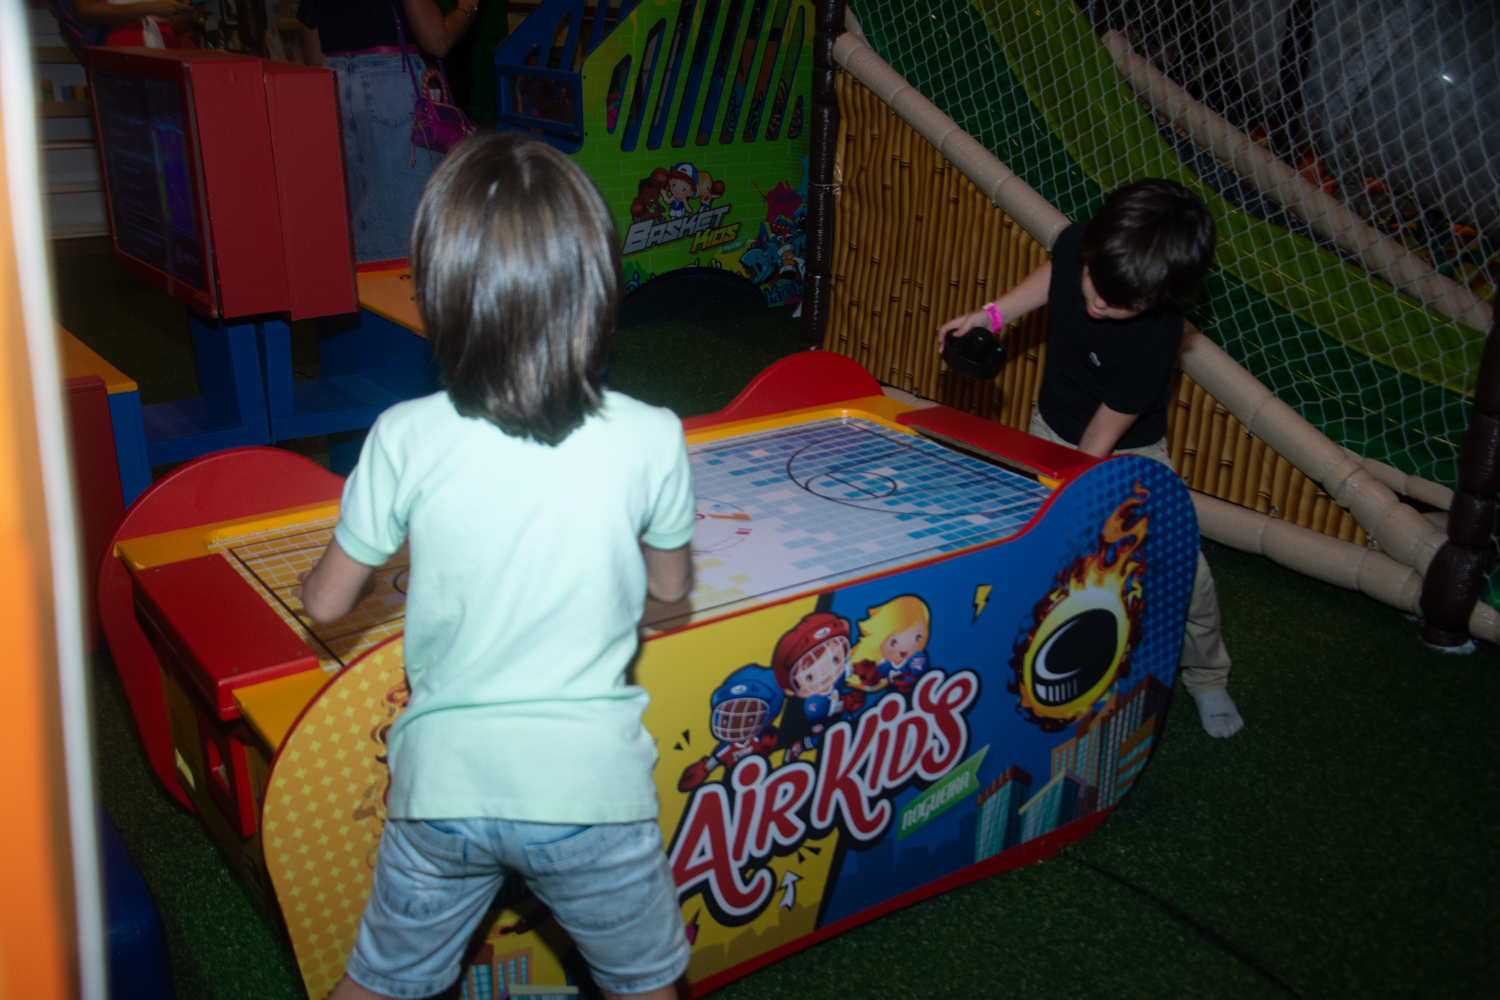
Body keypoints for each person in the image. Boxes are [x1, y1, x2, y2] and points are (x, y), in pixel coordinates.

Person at [299, 133, 697, 1000]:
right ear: (596, 285)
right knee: (645, 988)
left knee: (376, 985)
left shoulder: (401, 435)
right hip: (590, 792)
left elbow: (327, 605)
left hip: (441, 788)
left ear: (439, 290)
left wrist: (309, 581)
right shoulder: (654, 435)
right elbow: (669, 588)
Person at [936, 178, 1244, 739]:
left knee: (1186, 570)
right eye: (1095, 281)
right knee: (1039, 552)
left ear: (1158, 299)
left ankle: (1207, 675)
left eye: (1122, 302)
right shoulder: (1081, 245)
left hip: (1126, 450)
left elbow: (1098, 443)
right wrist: (992, 316)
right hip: (1051, 424)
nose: (1099, 302)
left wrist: (1069, 496)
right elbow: (1056, 271)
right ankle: (1012, 649)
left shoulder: (1156, 337)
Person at [297, 0, 480, 263]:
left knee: (354, 223)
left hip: (334, 83)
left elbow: (313, 51)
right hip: (390, 84)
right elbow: (437, 39)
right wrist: (467, 6)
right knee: (405, 230)